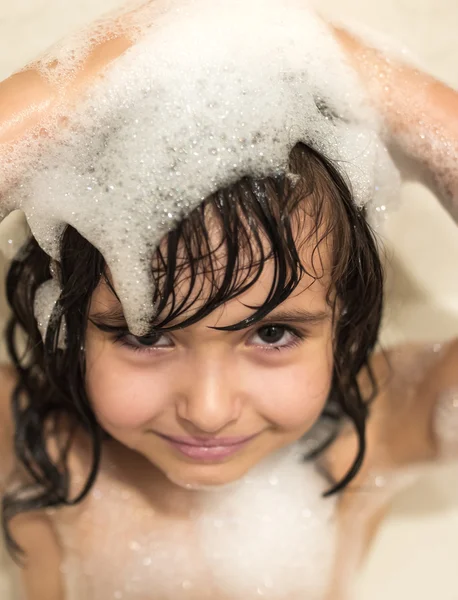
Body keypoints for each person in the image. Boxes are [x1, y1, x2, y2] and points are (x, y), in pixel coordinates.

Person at [0, 1, 457, 599]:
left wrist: (350, 65)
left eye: (273, 334)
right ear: (68, 321)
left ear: (344, 317)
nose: (209, 410)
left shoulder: (371, 435)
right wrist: (99, 67)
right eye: (144, 334)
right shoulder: (29, 441)